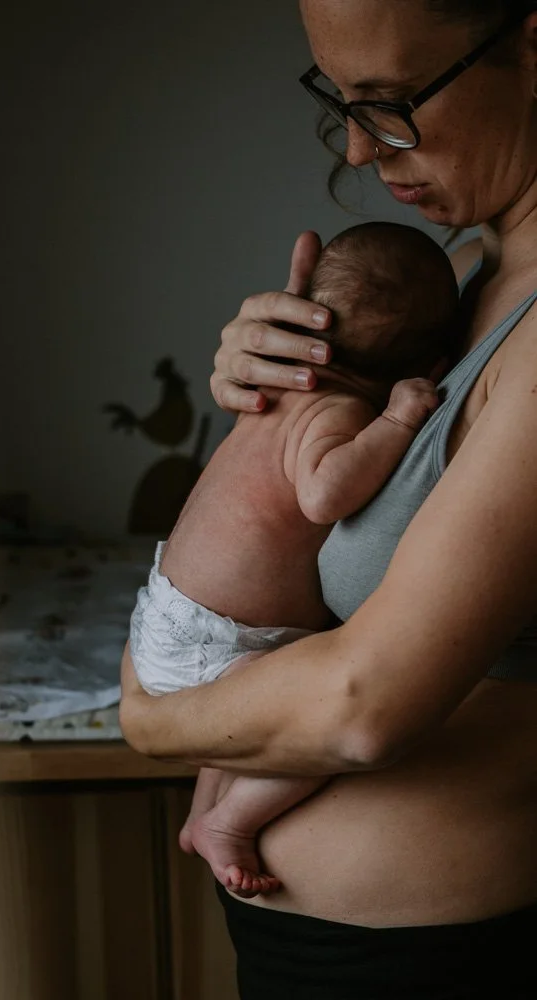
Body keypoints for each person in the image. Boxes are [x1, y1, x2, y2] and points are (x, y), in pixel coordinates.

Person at [121, 1, 537, 996]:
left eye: (390, 103)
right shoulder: (475, 276)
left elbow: (364, 707)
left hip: (433, 961)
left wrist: (144, 715)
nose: (357, 149)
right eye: (340, 105)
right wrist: (279, 409)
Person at [130, 221, 459, 899]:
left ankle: (201, 816)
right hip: (218, 640)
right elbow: (323, 492)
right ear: (426, 369)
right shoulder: (332, 411)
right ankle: (232, 822)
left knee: (244, 723)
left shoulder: (279, 391)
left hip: (176, 614)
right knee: (299, 725)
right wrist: (397, 420)